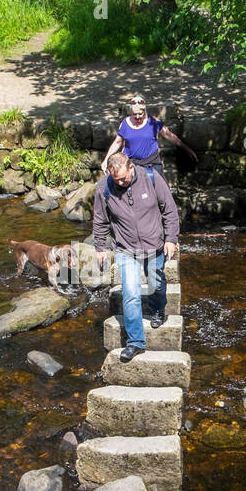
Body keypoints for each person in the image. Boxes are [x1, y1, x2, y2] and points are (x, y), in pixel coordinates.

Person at [93, 150, 179, 361]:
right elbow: (100, 220)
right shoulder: (103, 188)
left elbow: (169, 210)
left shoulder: (151, 178)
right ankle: (136, 342)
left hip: (154, 245)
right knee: (130, 294)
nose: (121, 182)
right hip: (125, 249)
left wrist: (171, 239)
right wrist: (100, 248)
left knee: (156, 284)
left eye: (124, 177)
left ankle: (158, 309)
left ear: (131, 166)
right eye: (116, 179)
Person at [101, 93, 197, 178]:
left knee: (159, 191)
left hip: (151, 162)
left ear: (144, 111)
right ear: (130, 112)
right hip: (131, 163)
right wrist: (106, 160)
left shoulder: (152, 122)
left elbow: (169, 135)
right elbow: (117, 142)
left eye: (140, 114)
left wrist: (186, 148)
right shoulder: (125, 123)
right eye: (135, 114)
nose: (138, 117)